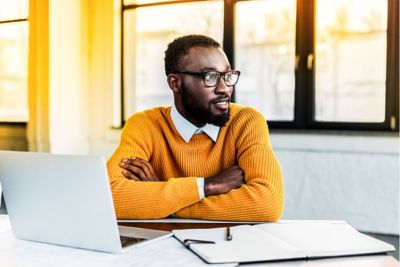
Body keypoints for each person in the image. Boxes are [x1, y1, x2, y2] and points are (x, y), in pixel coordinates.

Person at [107, 34, 284, 221]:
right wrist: (207, 186)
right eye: (210, 76)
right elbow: (108, 196)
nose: (225, 88)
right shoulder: (144, 124)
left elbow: (267, 203)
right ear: (175, 83)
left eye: (227, 75)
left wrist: (167, 203)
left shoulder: (247, 122)